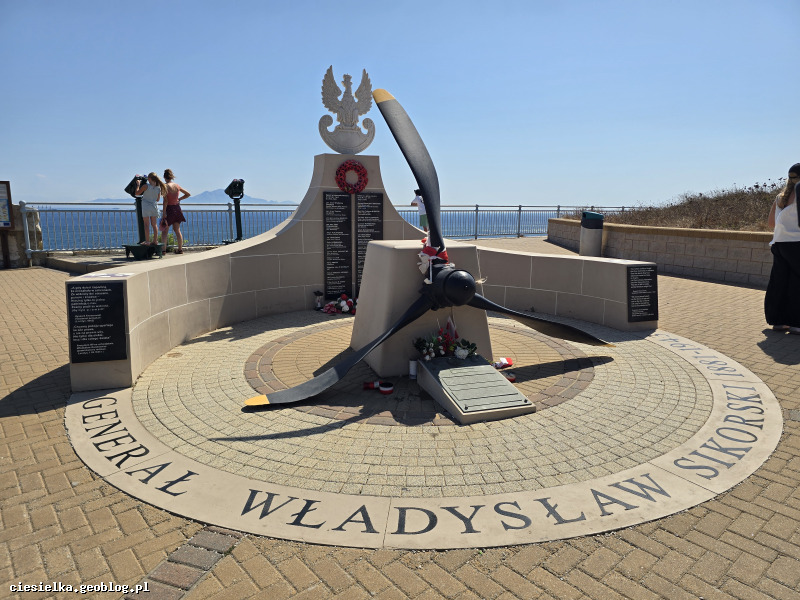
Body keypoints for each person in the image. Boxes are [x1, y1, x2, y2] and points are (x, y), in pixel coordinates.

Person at [764, 163, 800, 333]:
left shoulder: (780, 197)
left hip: (779, 244)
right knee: (796, 283)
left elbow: (771, 223)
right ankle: (796, 323)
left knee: (779, 282)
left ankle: (778, 321)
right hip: (797, 244)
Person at [161, 168, 191, 254]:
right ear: (171, 177)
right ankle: (180, 249)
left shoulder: (165, 186)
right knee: (177, 230)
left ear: (164, 177)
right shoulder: (177, 186)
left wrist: (164, 213)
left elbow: (165, 201)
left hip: (169, 209)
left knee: (164, 232)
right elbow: (188, 194)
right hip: (177, 209)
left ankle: (163, 250)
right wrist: (179, 199)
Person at [135, 173, 166, 245]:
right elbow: (158, 199)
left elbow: (137, 193)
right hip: (154, 207)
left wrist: (138, 185)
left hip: (146, 207)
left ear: (149, 179)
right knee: (154, 225)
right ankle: (155, 241)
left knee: (146, 225)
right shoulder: (158, 188)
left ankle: (147, 241)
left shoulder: (146, 186)